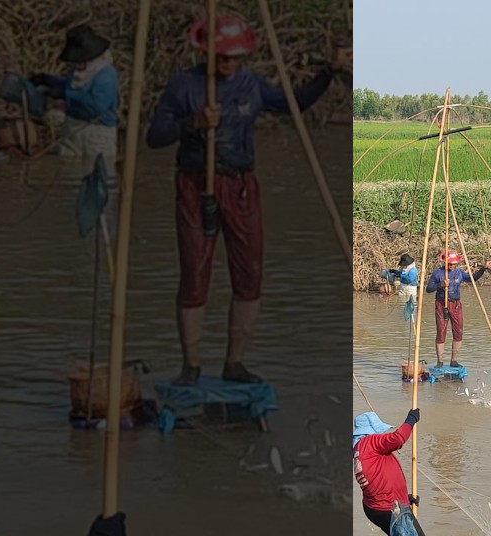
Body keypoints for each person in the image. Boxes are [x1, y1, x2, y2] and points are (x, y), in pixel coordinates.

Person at [145, 14, 350, 386]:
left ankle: (235, 363)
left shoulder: (251, 84)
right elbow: (154, 136)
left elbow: (295, 104)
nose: (229, 64)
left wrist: (329, 72)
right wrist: (194, 123)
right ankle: (190, 366)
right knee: (194, 273)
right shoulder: (185, 87)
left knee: (250, 273)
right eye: (222, 57)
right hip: (195, 184)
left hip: (240, 186)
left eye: (234, 57)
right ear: (205, 53)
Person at [0, 24, 120, 161]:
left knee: (97, 172)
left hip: (97, 132)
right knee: (67, 170)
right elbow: (69, 85)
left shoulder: (106, 75)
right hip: (72, 126)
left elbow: (97, 106)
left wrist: (66, 94)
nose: (74, 64)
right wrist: (47, 80)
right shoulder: (78, 71)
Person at [353, 409, 427, 536]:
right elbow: (398, 439)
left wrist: (404, 497)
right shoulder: (369, 442)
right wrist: (410, 420)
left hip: (377, 506)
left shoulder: (359, 449)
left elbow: (379, 478)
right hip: (388, 508)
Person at [424, 251, 491, 367]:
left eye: (454, 264)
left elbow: (473, 279)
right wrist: (441, 285)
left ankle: (454, 361)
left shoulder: (459, 273)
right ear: (445, 263)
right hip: (442, 304)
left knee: (458, 332)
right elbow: (428, 289)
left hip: (456, 304)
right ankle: (440, 362)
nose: (452, 266)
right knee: (441, 332)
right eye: (450, 264)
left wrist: (483, 268)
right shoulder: (438, 273)